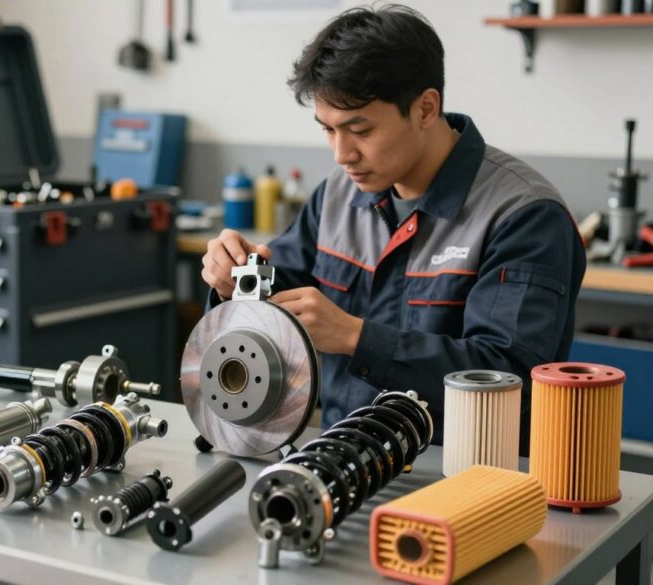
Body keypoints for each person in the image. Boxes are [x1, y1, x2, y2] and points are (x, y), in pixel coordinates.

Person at [201, 4, 586, 448]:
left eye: (359, 130)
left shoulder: (523, 215)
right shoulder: (336, 196)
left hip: (472, 477)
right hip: (343, 461)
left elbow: (507, 377)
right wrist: (234, 284)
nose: (341, 154)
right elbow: (277, 298)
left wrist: (355, 338)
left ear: (425, 108)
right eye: (327, 130)